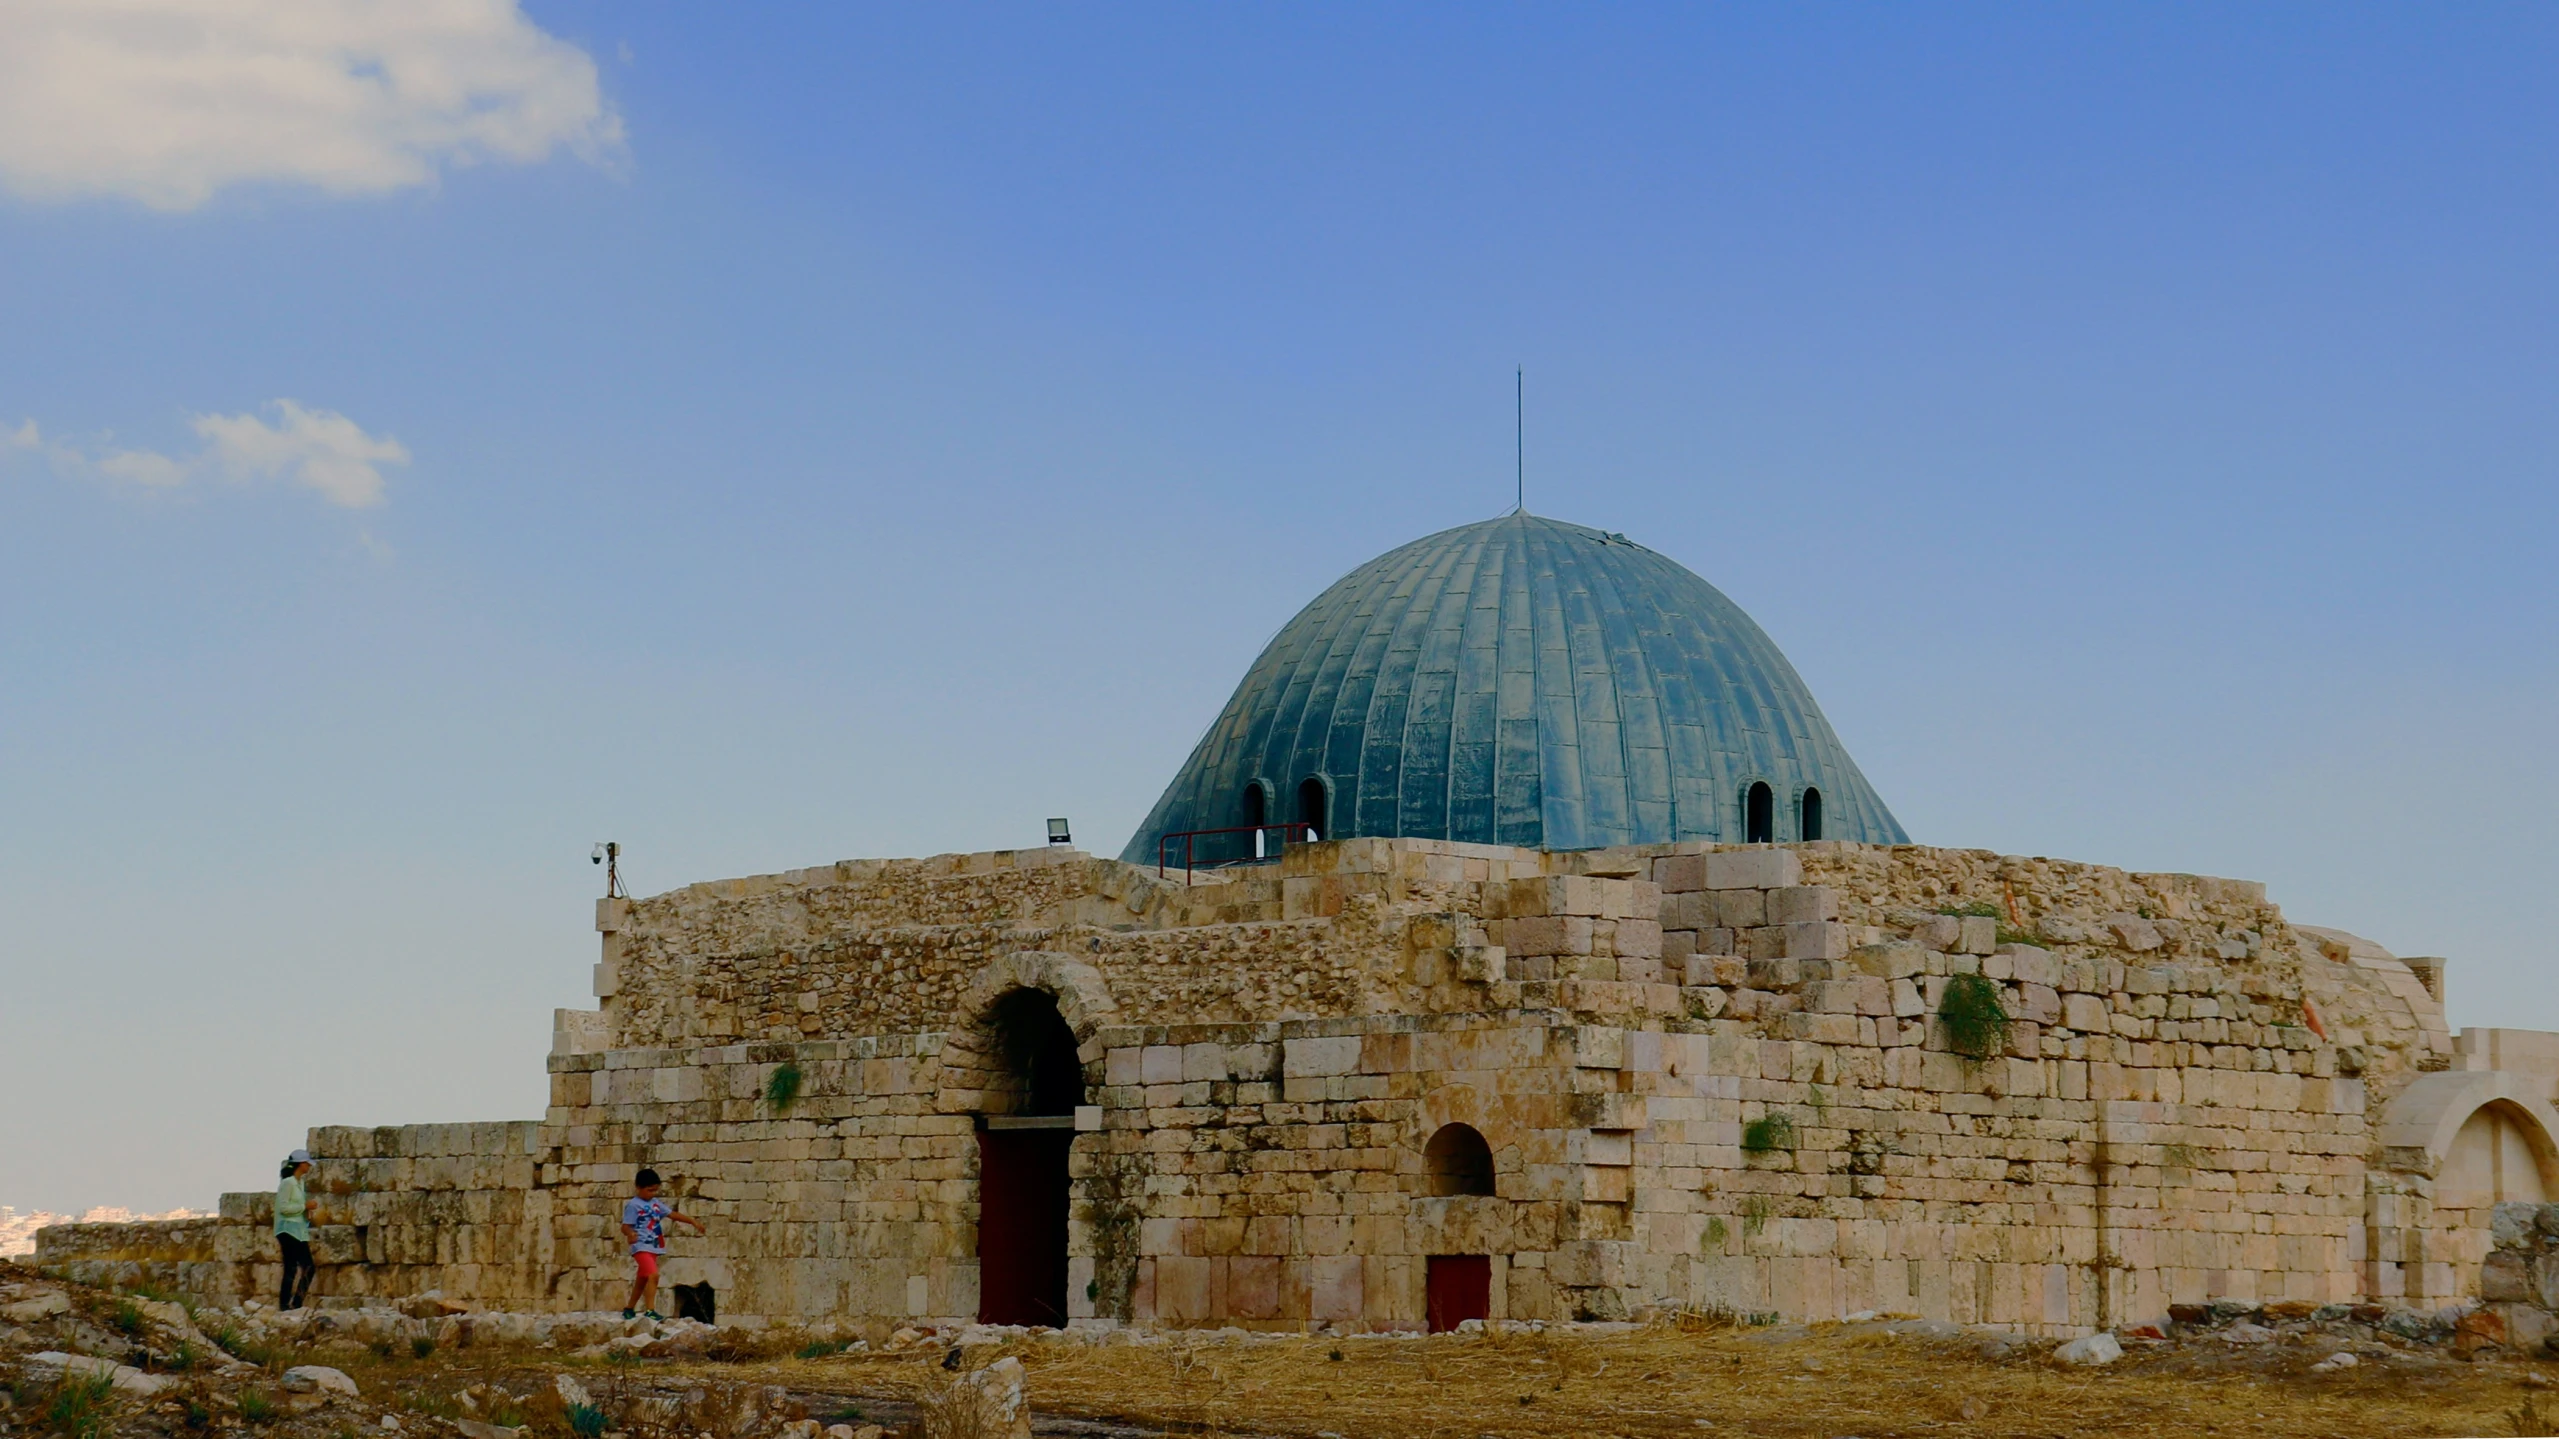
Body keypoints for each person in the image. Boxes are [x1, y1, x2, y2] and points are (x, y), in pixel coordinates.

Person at [619, 1167, 704, 1321]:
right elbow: (625, 1226)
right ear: (639, 1188)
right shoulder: (633, 1205)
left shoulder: (656, 1203)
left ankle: (629, 1308)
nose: (652, 1194)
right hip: (641, 1246)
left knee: (642, 1279)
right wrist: (630, 1234)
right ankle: (650, 1310)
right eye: (649, 1190)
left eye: (655, 1191)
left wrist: (692, 1221)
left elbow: (672, 1214)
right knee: (653, 1275)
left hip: (654, 1245)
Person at [275, 1149, 317, 1311]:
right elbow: (284, 1208)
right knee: (297, 1267)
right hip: (287, 1230)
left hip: (298, 1230)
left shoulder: (299, 1183)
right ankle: (290, 1304)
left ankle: (291, 1304)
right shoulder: (288, 1183)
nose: (309, 1167)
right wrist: (304, 1206)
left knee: (299, 1267)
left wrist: (306, 1212)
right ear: (300, 1164)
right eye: (307, 1163)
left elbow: (294, 1208)